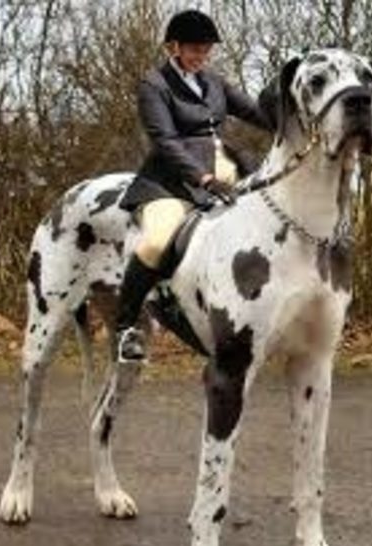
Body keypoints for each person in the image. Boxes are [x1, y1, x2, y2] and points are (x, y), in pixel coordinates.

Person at [116, 8, 276, 362]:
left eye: (205, 50)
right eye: (193, 50)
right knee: (157, 241)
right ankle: (125, 328)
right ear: (172, 47)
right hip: (173, 182)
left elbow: (254, 112)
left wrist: (290, 122)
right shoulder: (154, 86)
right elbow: (165, 141)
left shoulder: (214, 81)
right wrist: (202, 177)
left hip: (228, 173)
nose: (200, 57)